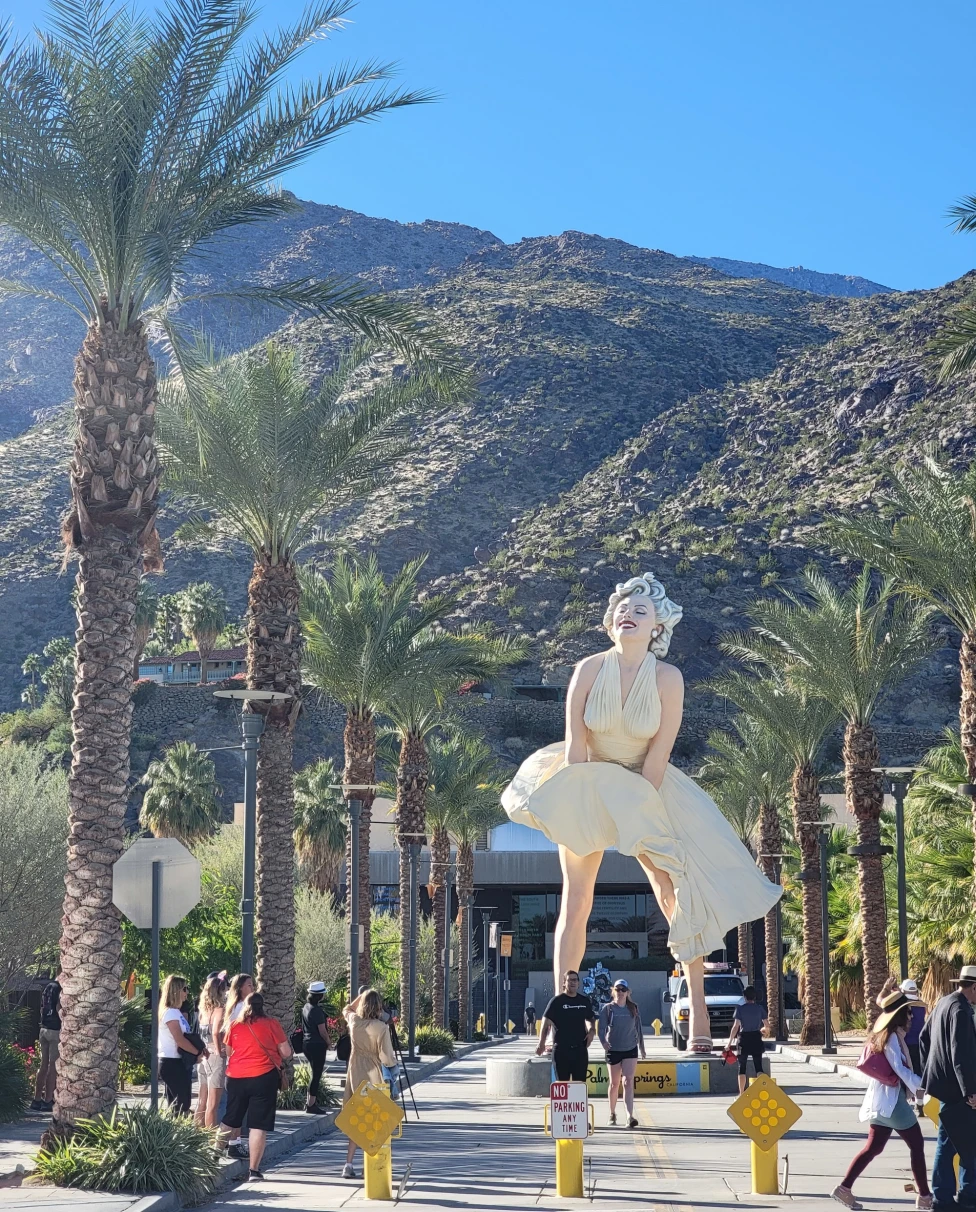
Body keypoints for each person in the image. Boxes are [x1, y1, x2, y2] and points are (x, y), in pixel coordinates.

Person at [502, 573, 781, 1053]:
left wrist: (636, 819)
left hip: (646, 787)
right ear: (611, 621)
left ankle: (696, 1017)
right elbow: (576, 749)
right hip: (588, 779)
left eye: (641, 610)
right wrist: (581, 804)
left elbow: (657, 758)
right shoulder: (588, 669)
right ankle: (560, 1025)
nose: (629, 614)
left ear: (657, 627)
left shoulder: (668, 679)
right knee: (576, 900)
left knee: (673, 890)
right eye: (623, 608)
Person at [832, 991, 930, 1211]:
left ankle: (844, 1189)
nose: (912, 1017)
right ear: (899, 1016)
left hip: (881, 1102)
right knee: (917, 1145)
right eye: (908, 1012)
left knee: (873, 1148)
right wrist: (924, 1085)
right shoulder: (892, 1038)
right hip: (892, 1102)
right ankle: (925, 1196)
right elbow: (901, 1070)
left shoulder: (887, 1035)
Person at [218, 991, 292, 1183]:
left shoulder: (234, 1025)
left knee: (230, 1118)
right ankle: (254, 1171)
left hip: (235, 1077)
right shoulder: (271, 1024)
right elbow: (285, 1052)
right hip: (262, 1077)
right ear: (262, 1005)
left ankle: (212, 1157)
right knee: (258, 1124)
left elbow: (229, 1051)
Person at [920, 965, 976, 1211]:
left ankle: (961, 1195)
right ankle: (946, 1198)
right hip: (958, 1091)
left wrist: (931, 1072)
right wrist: (969, 1091)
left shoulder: (944, 1003)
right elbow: (959, 1053)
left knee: (961, 1142)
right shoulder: (961, 1010)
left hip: (945, 1087)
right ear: (974, 988)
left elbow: (923, 1037)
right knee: (952, 1144)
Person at [340, 990, 398, 1180]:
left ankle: (348, 1163)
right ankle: (372, 1165)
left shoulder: (355, 1022)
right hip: (373, 1072)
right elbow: (387, 1057)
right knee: (374, 1119)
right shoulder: (380, 1028)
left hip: (355, 1071)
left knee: (356, 1117)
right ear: (378, 1007)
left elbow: (346, 1009)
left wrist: (362, 995)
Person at [598, 979, 645, 1127]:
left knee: (628, 1081)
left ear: (628, 992)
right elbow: (601, 1029)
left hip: (630, 1049)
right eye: (617, 990)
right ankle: (612, 1113)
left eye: (623, 990)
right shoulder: (608, 1009)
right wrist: (604, 1043)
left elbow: (639, 1029)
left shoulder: (633, 1008)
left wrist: (642, 1048)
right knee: (614, 1084)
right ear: (613, 991)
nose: (620, 993)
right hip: (613, 1049)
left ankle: (630, 1116)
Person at [536, 971, 596, 1081]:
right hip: (561, 1051)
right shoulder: (556, 1001)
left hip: (580, 1050)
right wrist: (541, 1043)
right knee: (562, 1085)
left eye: (575, 980)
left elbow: (590, 1018)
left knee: (580, 1086)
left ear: (578, 983)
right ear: (564, 983)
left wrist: (592, 1031)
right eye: (570, 980)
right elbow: (545, 1023)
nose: (573, 983)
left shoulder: (584, 1001)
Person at [158, 974, 203, 1115]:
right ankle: (177, 1133)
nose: (187, 992)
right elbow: (180, 1039)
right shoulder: (170, 1013)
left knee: (181, 1103)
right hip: (172, 1062)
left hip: (179, 1062)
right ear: (176, 990)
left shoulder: (176, 1012)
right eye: (185, 989)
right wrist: (197, 1053)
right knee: (180, 1104)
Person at [222, 973, 255, 1152]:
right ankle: (228, 1144)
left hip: (236, 1062)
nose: (253, 988)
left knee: (238, 1107)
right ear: (240, 988)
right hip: (241, 1063)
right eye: (249, 985)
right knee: (237, 1108)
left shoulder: (234, 1006)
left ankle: (235, 1142)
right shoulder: (241, 1008)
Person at [195, 973, 227, 1128]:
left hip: (203, 1055)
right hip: (214, 1055)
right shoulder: (219, 1010)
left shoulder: (203, 1011)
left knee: (202, 1100)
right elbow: (215, 1032)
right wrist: (220, 1050)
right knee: (213, 1104)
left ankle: (195, 1135)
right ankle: (211, 1139)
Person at [728, 985, 769, 1095]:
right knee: (758, 1066)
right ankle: (762, 1091)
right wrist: (763, 1030)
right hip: (756, 1037)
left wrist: (729, 1043)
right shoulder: (760, 1009)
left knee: (742, 1066)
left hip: (744, 1038)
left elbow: (735, 1026)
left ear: (744, 996)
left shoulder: (740, 1009)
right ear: (754, 997)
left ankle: (741, 1093)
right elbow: (767, 1026)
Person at [30, 978, 61, 1112]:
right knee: (52, 1066)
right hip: (55, 1030)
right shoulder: (60, 988)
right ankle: (48, 1100)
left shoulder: (47, 988)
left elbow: (42, 1008)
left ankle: (37, 1100)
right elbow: (58, 1007)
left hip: (43, 1029)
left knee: (43, 1065)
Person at [302, 980, 332, 1115]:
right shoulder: (317, 1010)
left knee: (314, 1073)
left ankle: (309, 1102)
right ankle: (311, 1104)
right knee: (316, 1074)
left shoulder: (306, 1007)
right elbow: (322, 1031)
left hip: (306, 1043)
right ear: (320, 996)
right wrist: (329, 1043)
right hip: (317, 1044)